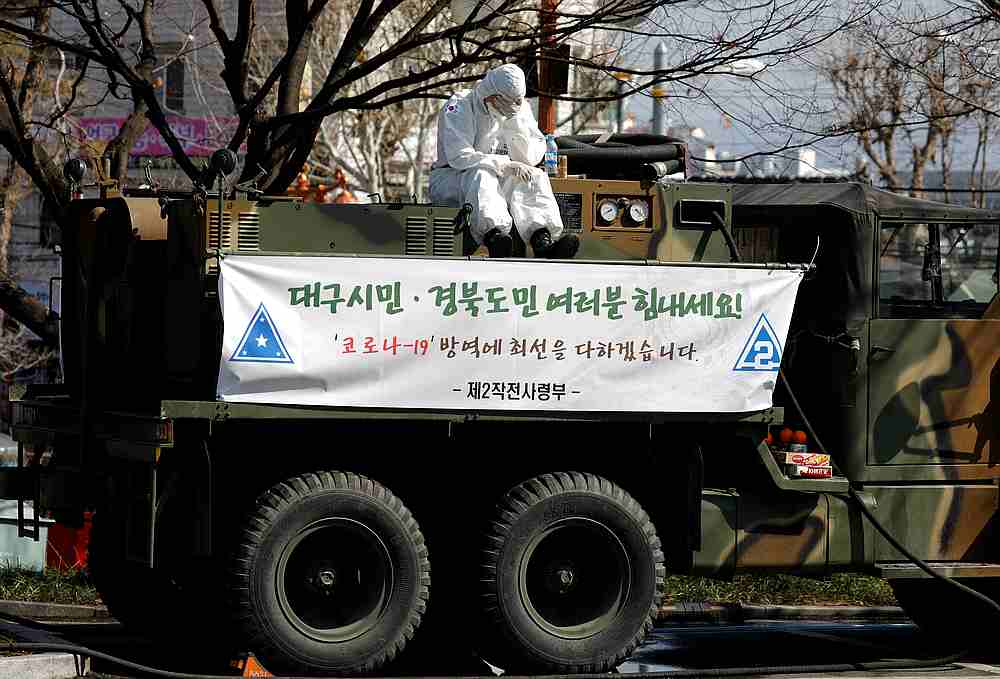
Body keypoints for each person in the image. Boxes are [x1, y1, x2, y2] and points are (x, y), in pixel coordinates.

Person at [429, 64, 579, 259]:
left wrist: (514, 125)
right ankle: (494, 237)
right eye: (505, 105)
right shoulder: (460, 105)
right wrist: (504, 164)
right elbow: (459, 156)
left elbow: (530, 157)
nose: (510, 109)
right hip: (451, 178)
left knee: (533, 176)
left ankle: (542, 240)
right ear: (491, 96)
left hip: (495, 178)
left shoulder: (518, 108)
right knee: (482, 174)